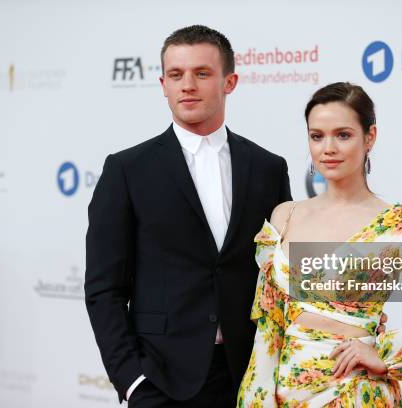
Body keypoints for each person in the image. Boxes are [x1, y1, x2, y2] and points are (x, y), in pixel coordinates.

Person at [237, 82, 402, 407]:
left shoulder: (399, 230)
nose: (328, 148)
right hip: (284, 390)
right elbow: (269, 325)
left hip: (353, 393)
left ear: (370, 137)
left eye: (343, 135)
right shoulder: (286, 216)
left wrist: (385, 354)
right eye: (317, 136)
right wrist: (256, 397)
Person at [83, 25, 293, 407]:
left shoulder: (268, 168)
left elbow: (282, 275)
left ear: (230, 81)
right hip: (162, 381)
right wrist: (132, 380)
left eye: (202, 73)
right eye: (176, 75)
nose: (187, 85)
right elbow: (104, 289)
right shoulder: (127, 170)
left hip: (251, 377)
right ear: (162, 84)